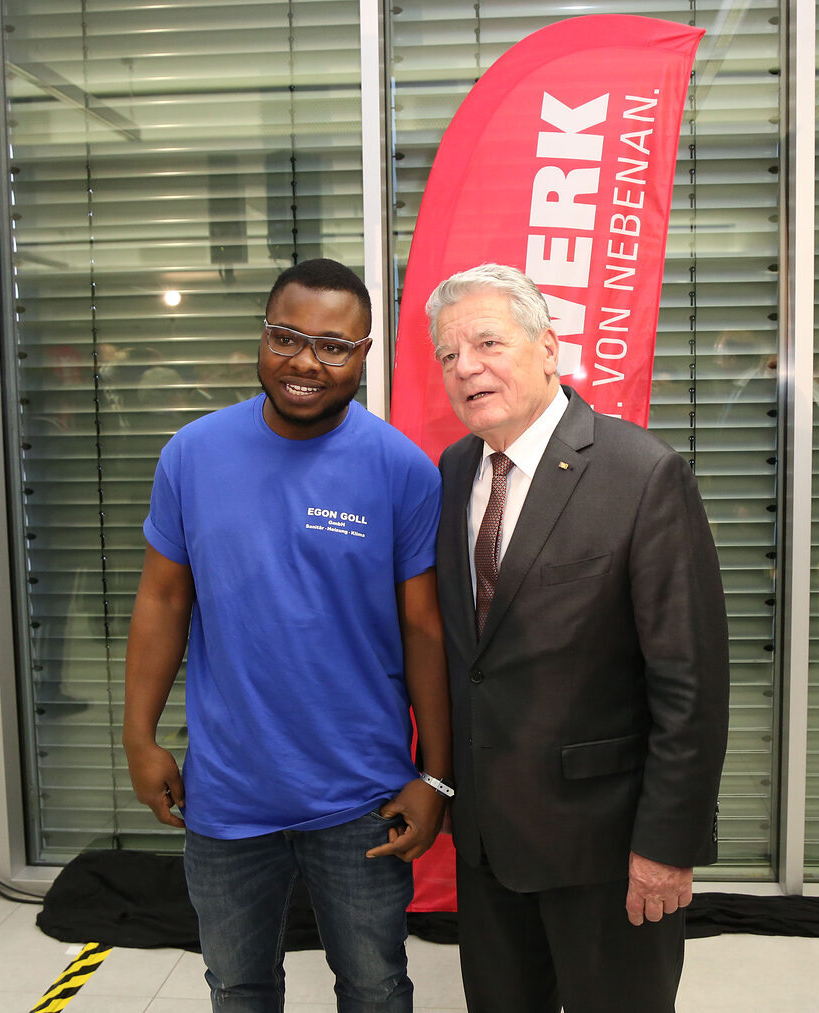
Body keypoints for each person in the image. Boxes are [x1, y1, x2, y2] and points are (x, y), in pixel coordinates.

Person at [122, 258, 450, 1012]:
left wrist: (435, 776)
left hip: (362, 795)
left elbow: (424, 629)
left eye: (333, 345)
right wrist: (139, 736)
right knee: (238, 986)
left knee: (374, 986)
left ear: (365, 353)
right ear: (261, 337)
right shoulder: (192, 455)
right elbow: (164, 601)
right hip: (228, 792)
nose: (305, 360)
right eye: (286, 337)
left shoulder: (403, 470)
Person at [424, 263, 729, 1013]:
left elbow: (690, 682)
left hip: (608, 848)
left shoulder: (642, 474)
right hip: (490, 845)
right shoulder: (455, 468)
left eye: (487, 342)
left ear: (548, 348)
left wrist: (668, 844)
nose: (466, 367)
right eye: (448, 354)